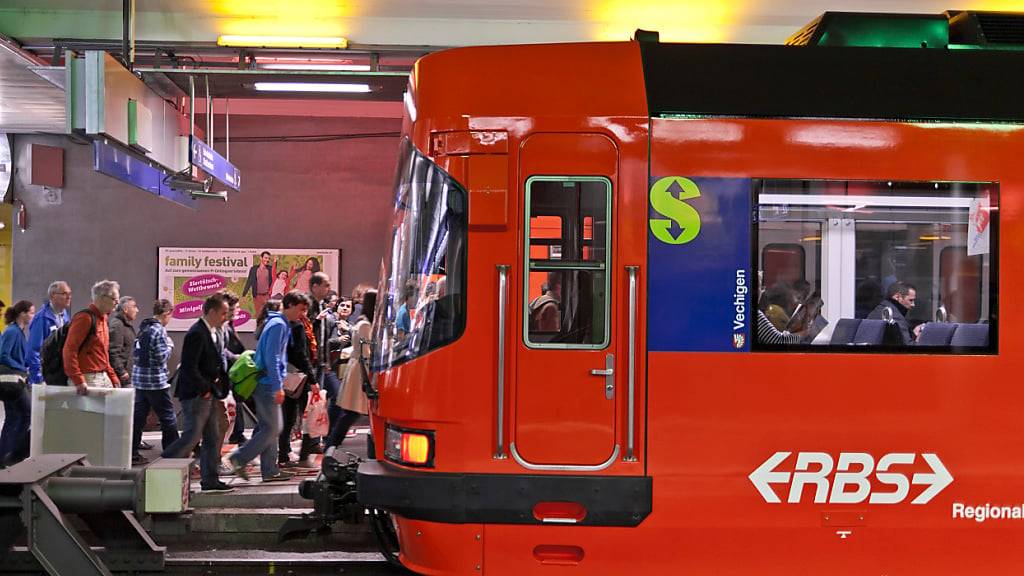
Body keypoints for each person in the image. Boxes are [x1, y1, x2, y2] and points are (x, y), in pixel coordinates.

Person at [228, 290, 310, 483]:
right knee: (273, 427)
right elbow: (272, 358)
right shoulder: (278, 325)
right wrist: (276, 386)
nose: (303, 314)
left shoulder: (277, 323)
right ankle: (239, 458)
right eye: (300, 309)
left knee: (269, 428)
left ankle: (270, 470)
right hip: (266, 383)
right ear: (289, 305)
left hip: (266, 382)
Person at [160, 293, 233, 493]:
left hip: (208, 393)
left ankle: (210, 480)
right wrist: (205, 389)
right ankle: (160, 466)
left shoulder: (215, 331)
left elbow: (218, 357)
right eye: (223, 313)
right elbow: (189, 367)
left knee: (212, 436)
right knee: (192, 437)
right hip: (196, 395)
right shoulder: (196, 333)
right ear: (211, 312)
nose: (226, 317)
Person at [326, 290, 377, 450]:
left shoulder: (362, 322)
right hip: (360, 371)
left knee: (350, 411)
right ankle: (332, 444)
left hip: (358, 369)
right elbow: (365, 351)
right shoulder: (365, 325)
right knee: (351, 412)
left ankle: (332, 444)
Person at [130, 299, 178, 465]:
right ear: (166, 313)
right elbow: (160, 357)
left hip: (139, 380)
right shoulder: (159, 331)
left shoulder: (143, 328)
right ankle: (172, 451)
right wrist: (170, 346)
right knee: (168, 417)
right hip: (155, 382)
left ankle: (132, 452)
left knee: (138, 417)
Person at [64, 280, 122, 393]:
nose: (117, 303)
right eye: (114, 299)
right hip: (88, 377)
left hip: (102, 376)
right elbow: (69, 350)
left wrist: (112, 375)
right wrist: (78, 379)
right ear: (102, 298)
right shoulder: (85, 318)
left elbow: (103, 354)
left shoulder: (103, 319)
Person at [0, 300, 34, 467]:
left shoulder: (19, 332)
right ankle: (12, 455)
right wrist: (21, 368)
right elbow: (4, 355)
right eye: (31, 313)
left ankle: (5, 457)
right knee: (26, 414)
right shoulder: (13, 332)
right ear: (22, 313)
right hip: (13, 381)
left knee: (13, 417)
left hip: (16, 379)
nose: (33, 316)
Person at [27, 281, 71, 385]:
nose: (69, 297)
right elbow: (33, 351)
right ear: (53, 295)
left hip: (59, 374)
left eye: (70, 293)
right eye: (65, 293)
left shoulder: (65, 317)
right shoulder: (41, 318)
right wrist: (39, 379)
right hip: (46, 377)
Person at [107, 296, 138, 388]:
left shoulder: (126, 325)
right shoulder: (117, 325)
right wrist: (121, 371)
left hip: (127, 375)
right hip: (121, 378)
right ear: (125, 309)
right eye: (134, 306)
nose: (137, 310)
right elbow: (113, 352)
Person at [242, 251, 274, 319]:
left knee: (268, 315)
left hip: (267, 296)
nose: (267, 260)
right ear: (261, 258)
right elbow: (249, 281)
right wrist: (244, 294)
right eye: (265, 258)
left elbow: (274, 280)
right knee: (258, 315)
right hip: (257, 296)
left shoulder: (270, 269)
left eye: (268, 258)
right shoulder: (254, 269)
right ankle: (259, 329)